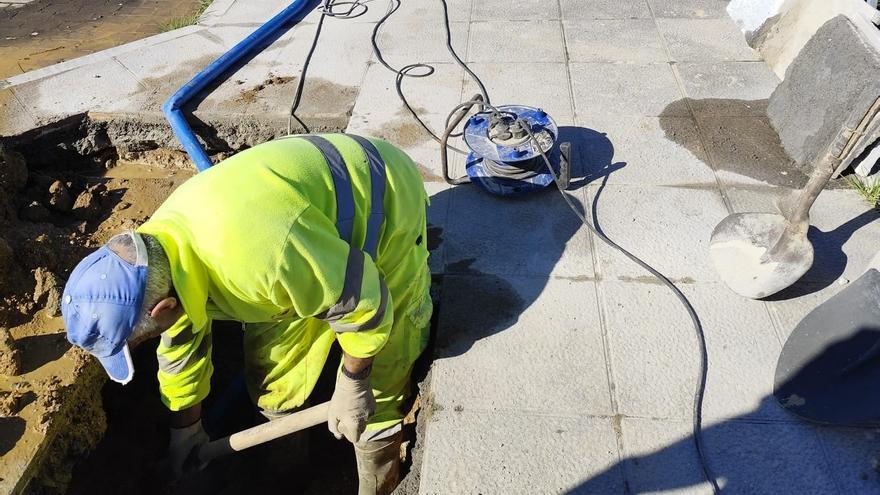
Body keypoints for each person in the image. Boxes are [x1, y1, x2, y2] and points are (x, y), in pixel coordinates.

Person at [61, 134, 433, 495]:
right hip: (301, 251)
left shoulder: (261, 258)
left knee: (379, 384)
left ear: (163, 308)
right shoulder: (158, 256)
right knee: (274, 384)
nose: (151, 339)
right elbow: (180, 350)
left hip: (383, 198)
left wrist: (354, 381)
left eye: (143, 337)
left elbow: (366, 300)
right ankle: (287, 476)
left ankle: (378, 484)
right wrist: (184, 433)